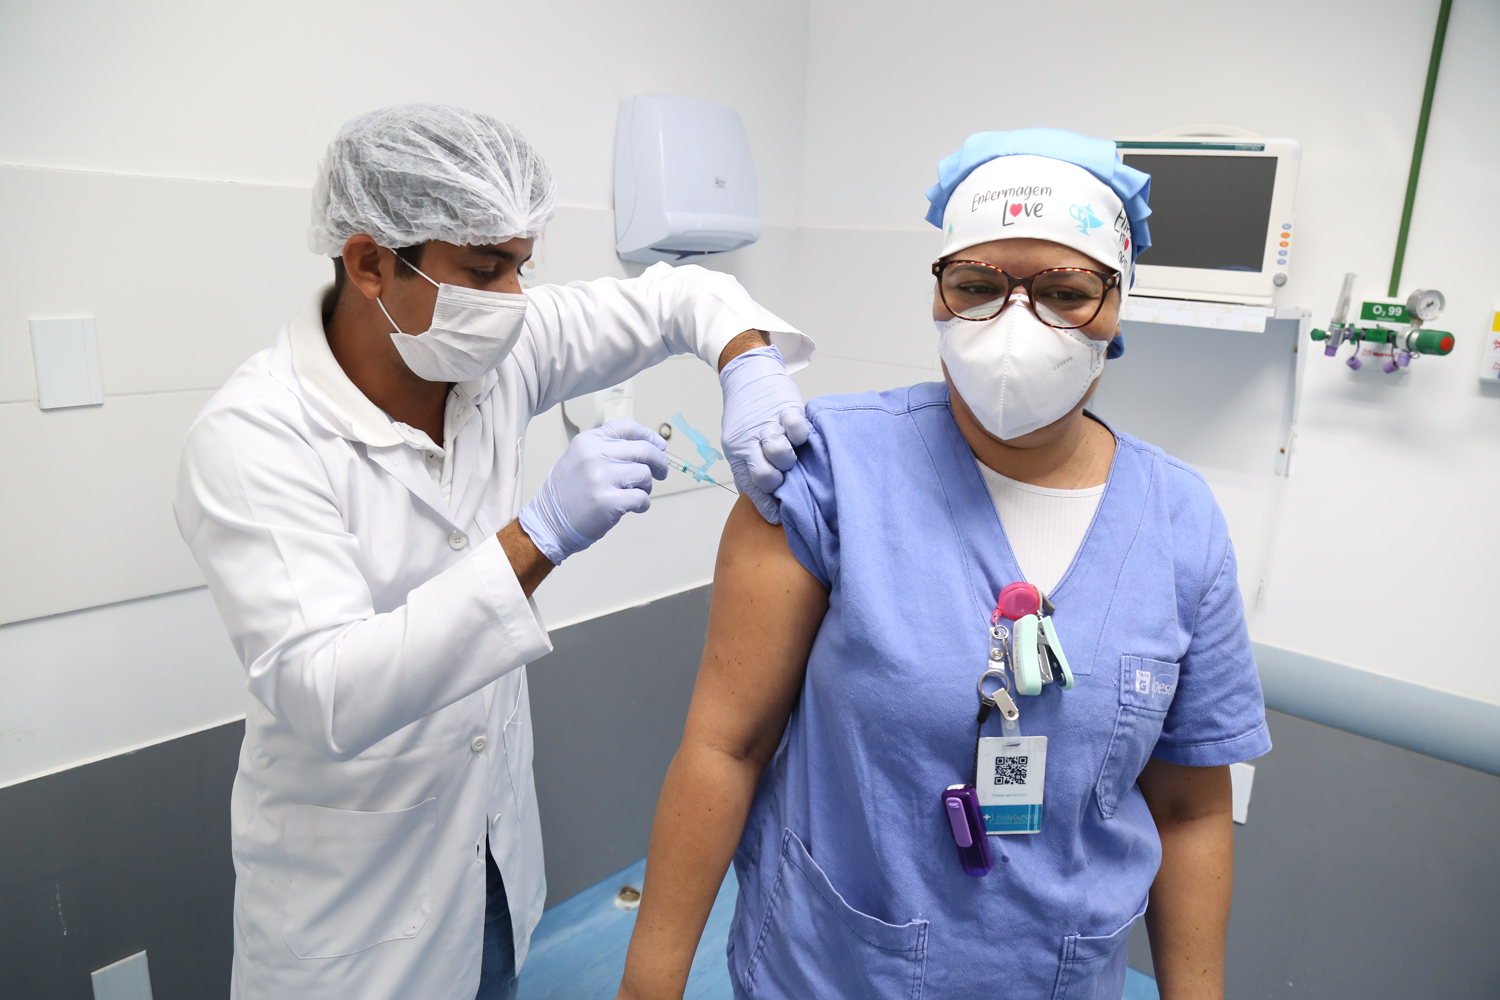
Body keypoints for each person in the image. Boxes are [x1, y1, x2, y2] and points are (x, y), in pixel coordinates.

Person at [173, 104, 815, 1000]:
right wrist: (538, 536)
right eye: (483, 270)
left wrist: (746, 363)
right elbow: (329, 692)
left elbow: (679, 297)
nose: (512, 300)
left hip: (490, 852)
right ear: (368, 262)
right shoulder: (255, 437)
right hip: (353, 908)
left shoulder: (492, 349)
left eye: (521, 264)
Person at [617, 129, 1270, 1000]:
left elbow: (1190, 811)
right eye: (976, 286)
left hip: (1058, 977)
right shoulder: (829, 471)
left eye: (1064, 292)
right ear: (937, 295)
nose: (1015, 325)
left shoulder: (1180, 522)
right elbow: (723, 749)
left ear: (1116, 310)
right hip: (834, 970)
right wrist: (647, 986)